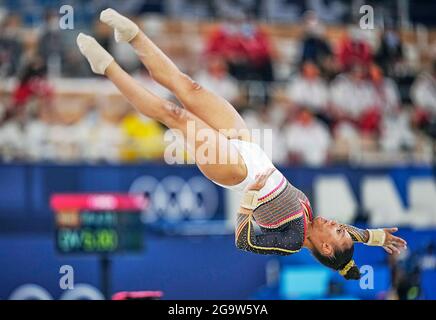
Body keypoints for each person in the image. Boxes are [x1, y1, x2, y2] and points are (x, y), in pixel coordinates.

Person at [77, 8, 407, 280]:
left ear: (326, 248)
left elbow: (244, 240)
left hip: (236, 172)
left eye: (337, 233)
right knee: (191, 89)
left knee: (174, 114)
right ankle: (133, 35)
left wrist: (249, 199)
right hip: (248, 146)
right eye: (341, 228)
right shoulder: (310, 219)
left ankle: (106, 66)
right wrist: (374, 238)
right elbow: (351, 233)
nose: (337, 225)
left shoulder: (292, 241)